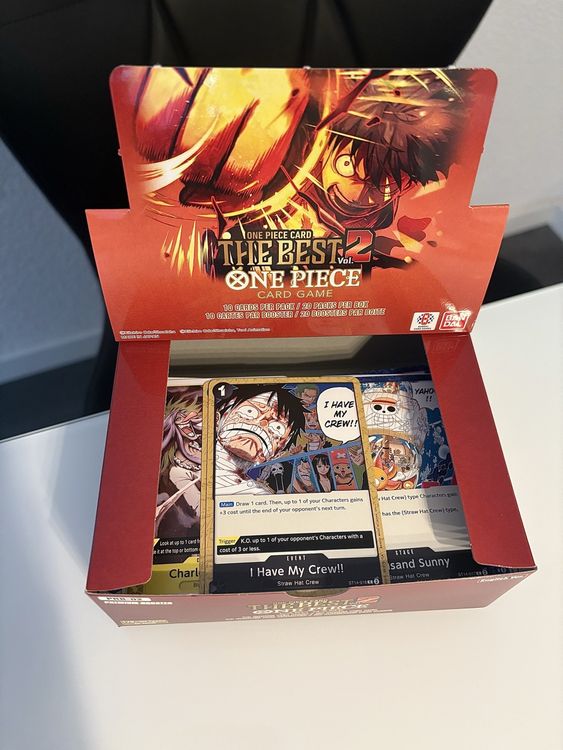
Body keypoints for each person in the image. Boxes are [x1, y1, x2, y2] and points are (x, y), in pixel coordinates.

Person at [215, 384, 305, 495]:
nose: (262, 423)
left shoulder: (258, 495)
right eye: (249, 411)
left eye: (277, 427)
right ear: (217, 419)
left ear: (278, 454)